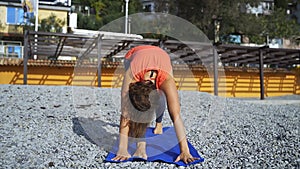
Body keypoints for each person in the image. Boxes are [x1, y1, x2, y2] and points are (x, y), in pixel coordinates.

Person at [112, 45, 198, 164]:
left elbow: (176, 115)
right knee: (133, 109)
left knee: (167, 102)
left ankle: (159, 123)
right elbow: (125, 112)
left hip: (162, 56)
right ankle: (140, 144)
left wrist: (185, 150)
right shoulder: (131, 76)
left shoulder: (166, 78)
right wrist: (122, 148)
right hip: (134, 55)